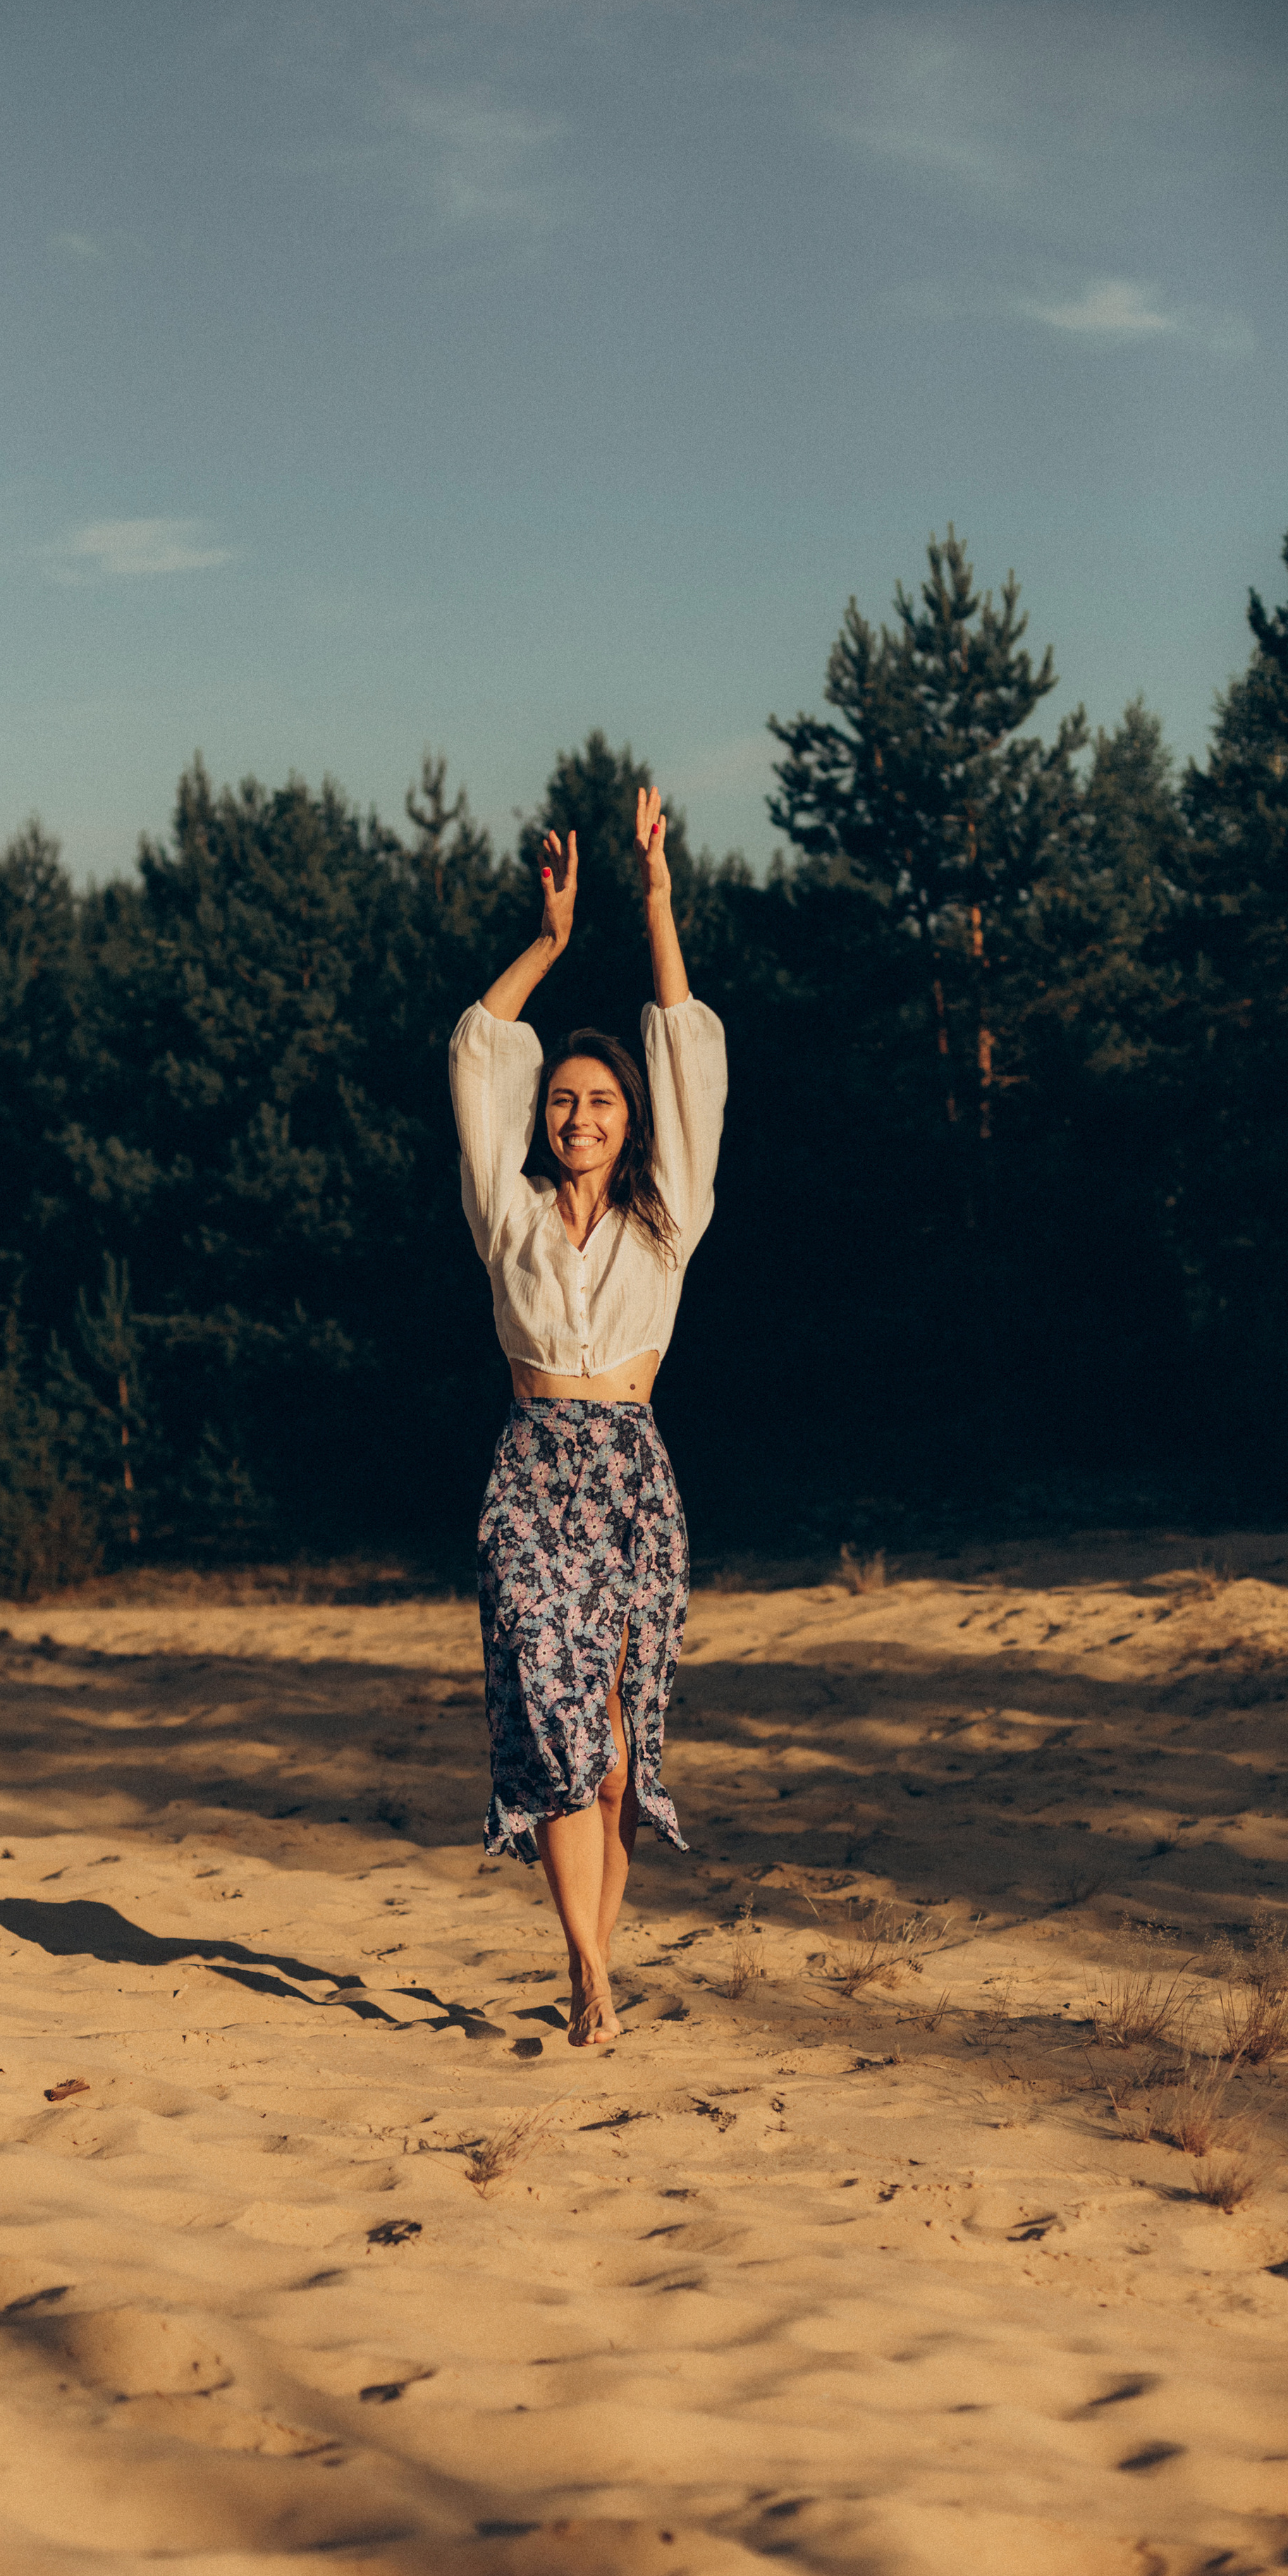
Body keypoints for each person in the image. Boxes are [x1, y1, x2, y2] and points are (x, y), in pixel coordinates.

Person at [448, 786, 728, 2047]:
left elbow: (680, 1040)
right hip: (530, 1475)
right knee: (560, 1726)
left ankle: (588, 1961)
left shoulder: (666, 1221)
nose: (577, 1115)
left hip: (629, 1477)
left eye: (599, 1104)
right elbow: (475, 1045)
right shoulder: (504, 1217)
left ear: (628, 1124)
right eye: (562, 1102)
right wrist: (553, 940)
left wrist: (658, 896)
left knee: (616, 1752)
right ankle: (590, 1974)